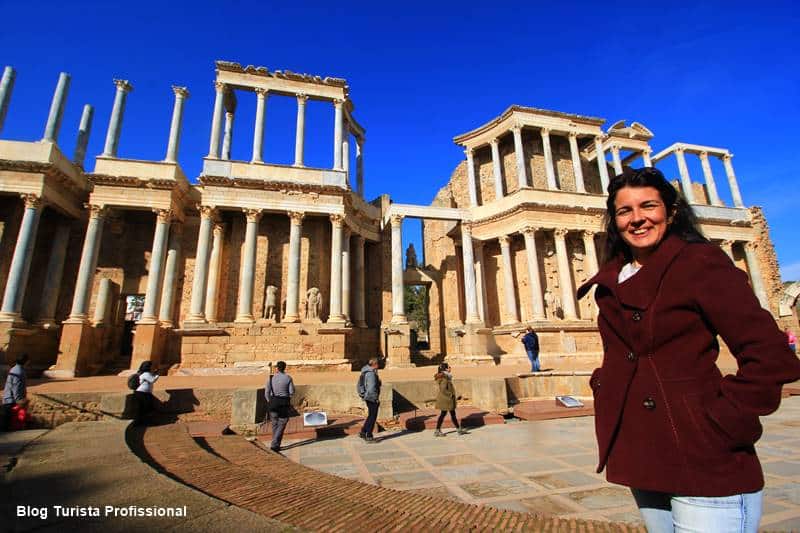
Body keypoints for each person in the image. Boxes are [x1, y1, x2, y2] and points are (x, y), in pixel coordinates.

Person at [576, 167, 800, 533]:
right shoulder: (616, 276)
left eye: (648, 206)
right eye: (624, 211)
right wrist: (605, 386)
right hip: (643, 451)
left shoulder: (699, 263)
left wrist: (721, 418)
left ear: (672, 211)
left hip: (703, 452)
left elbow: (771, 356)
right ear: (614, 221)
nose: (637, 219)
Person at [266, 361, 294, 452]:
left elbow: (266, 393)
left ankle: (277, 445)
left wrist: (270, 401)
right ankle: (274, 444)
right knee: (282, 422)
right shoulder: (288, 378)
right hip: (283, 403)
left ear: (277, 368)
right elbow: (291, 392)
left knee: (274, 424)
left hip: (273, 402)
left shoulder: (270, 378)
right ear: (284, 368)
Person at [433, 363, 467, 437]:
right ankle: (437, 431)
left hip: (447, 400)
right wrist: (450, 395)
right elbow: (443, 389)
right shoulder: (445, 378)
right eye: (449, 367)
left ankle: (458, 429)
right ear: (445, 369)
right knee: (444, 415)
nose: (450, 368)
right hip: (446, 400)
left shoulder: (445, 377)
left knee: (452, 414)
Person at [1, 353, 28, 431]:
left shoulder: (14, 369)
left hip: (8, 399)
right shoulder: (19, 371)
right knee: (8, 425)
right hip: (11, 401)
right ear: (26, 362)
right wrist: (19, 401)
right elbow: (16, 387)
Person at [357, 358, 381, 442]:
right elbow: (371, 388)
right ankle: (369, 435)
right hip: (371, 398)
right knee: (372, 417)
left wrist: (363, 395)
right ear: (374, 364)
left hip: (367, 397)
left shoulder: (364, 371)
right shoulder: (371, 374)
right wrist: (374, 399)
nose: (378, 366)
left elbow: (359, 384)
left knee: (370, 415)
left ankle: (363, 432)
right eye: (378, 364)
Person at [134, 361, 159, 425]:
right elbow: (152, 380)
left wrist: (154, 373)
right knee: (147, 408)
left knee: (142, 408)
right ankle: (147, 422)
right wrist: (157, 375)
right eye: (151, 366)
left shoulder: (143, 373)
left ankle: (139, 422)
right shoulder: (146, 374)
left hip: (141, 392)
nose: (152, 367)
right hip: (143, 393)